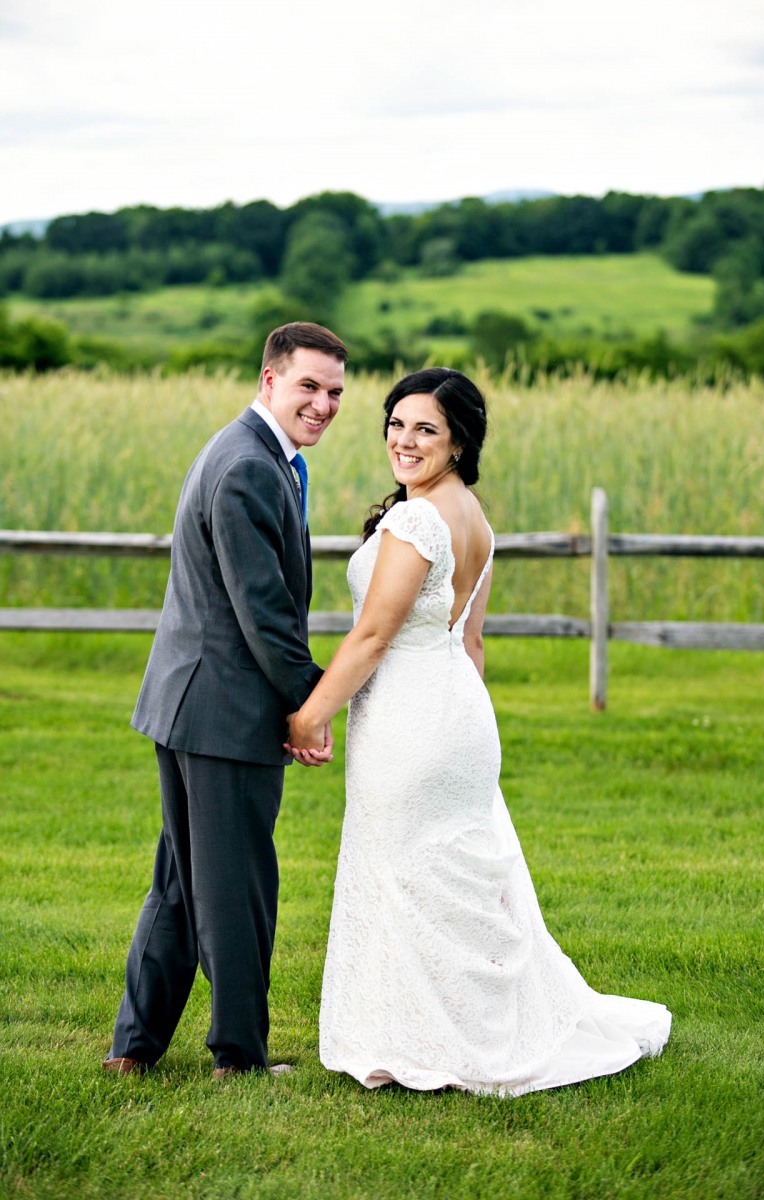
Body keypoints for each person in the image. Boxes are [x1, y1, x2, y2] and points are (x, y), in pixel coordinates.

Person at [286, 366, 671, 1096]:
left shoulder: (418, 520)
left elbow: (372, 636)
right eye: (396, 424)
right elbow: (472, 644)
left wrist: (311, 716)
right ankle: (449, 1023)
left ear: (459, 441)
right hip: (457, 712)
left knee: (407, 871)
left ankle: (433, 1040)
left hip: (411, 719)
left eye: (425, 429)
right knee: (445, 869)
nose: (404, 440)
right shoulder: (475, 518)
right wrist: (463, 725)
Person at [104, 321, 347, 1079]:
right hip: (223, 714)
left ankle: (133, 1051)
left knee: (180, 885)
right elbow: (264, 613)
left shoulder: (248, 452)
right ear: (270, 378)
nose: (324, 403)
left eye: (336, 391)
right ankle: (238, 1058)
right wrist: (311, 706)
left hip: (188, 704)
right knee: (237, 889)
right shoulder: (247, 465)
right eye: (309, 385)